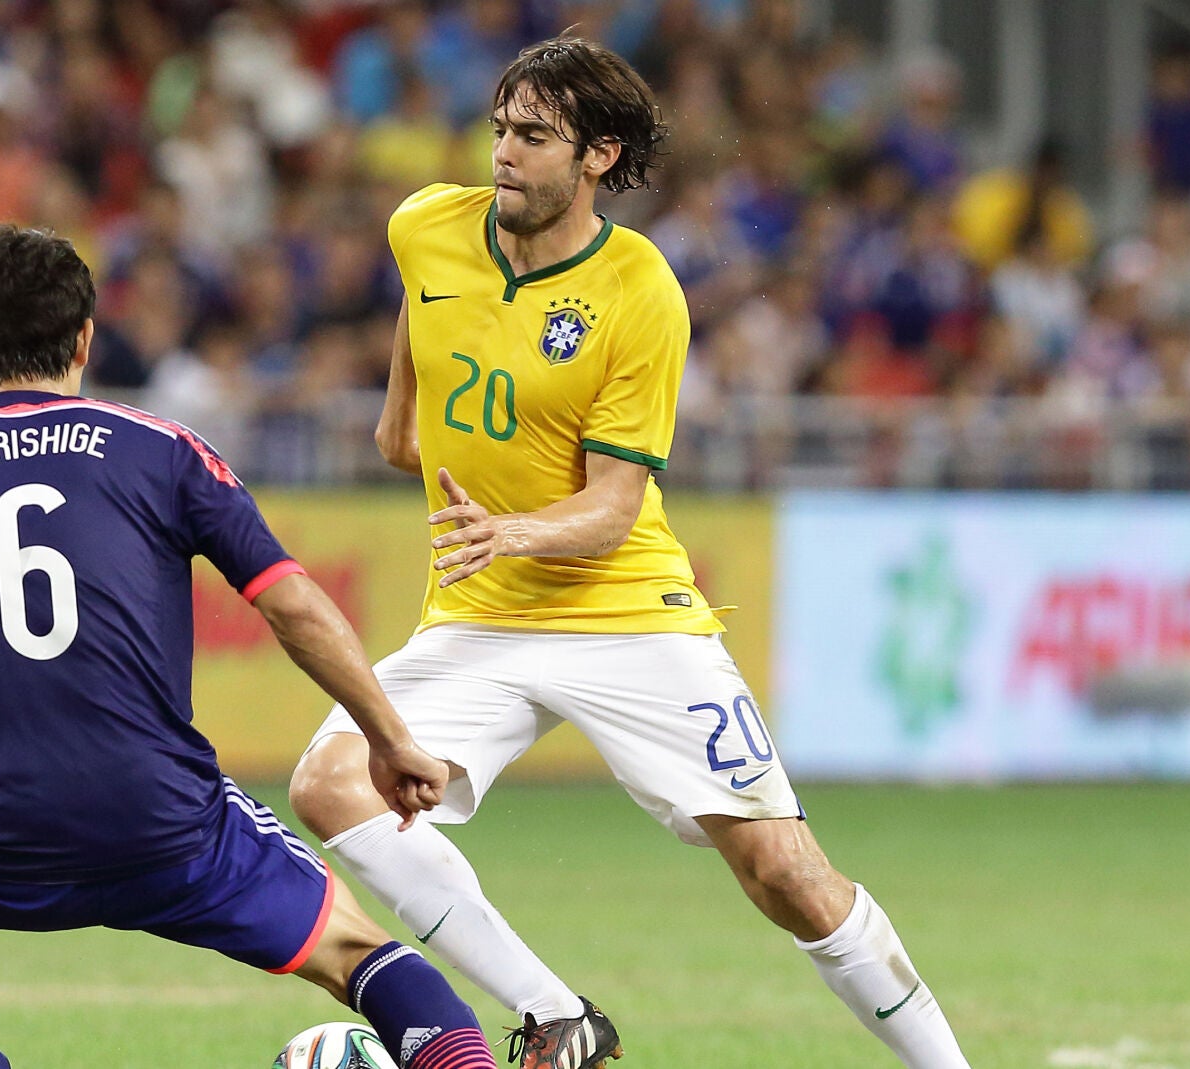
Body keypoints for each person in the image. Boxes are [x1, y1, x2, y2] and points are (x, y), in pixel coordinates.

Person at [288, 37, 972, 1069]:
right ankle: (557, 1013)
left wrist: (508, 527)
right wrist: (407, 435)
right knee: (330, 783)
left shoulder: (639, 289)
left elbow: (613, 507)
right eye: (500, 130)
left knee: (783, 871)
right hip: (480, 618)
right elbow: (412, 371)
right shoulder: (425, 226)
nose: (504, 154)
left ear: (599, 155)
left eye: (532, 136)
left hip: (624, 610)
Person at [0, 224, 501, 1069]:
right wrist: (389, 738)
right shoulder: (162, 449)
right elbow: (296, 607)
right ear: (87, 335)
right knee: (362, 955)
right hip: (169, 829)